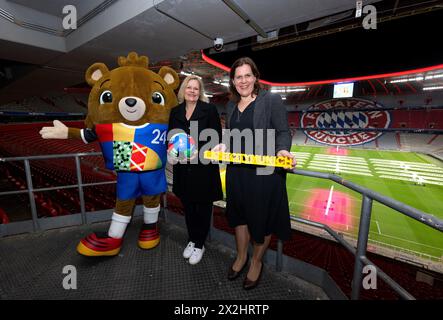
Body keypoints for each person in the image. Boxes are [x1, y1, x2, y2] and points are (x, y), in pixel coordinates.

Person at [221, 57, 296, 289]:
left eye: (247, 75)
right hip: (237, 171)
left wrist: (282, 149)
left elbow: (283, 132)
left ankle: (255, 261)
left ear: (255, 77)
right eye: (238, 76)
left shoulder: (271, 100)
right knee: (240, 217)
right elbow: (233, 137)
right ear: (233, 81)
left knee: (261, 220)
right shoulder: (231, 105)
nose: (243, 81)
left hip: (264, 173)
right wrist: (224, 146)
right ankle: (241, 256)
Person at [168, 75, 223, 265]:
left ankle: (200, 244)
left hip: (203, 168)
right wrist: (176, 152)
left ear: (200, 92)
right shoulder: (175, 111)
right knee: (189, 206)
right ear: (183, 90)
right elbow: (171, 137)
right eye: (189, 87)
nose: (192, 91)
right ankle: (192, 240)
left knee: (203, 207)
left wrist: (198, 151)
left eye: (196, 88)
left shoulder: (209, 110)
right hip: (183, 167)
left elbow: (215, 137)